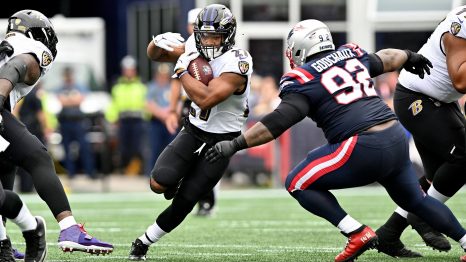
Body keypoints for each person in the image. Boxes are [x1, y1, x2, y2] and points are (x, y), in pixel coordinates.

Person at [205, 19, 466, 262]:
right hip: (394, 136)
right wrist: (410, 56)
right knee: (417, 201)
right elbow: (386, 58)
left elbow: (279, 121)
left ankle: (355, 232)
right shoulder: (350, 54)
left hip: (362, 144)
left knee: (297, 182)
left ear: (300, 48)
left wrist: (236, 144)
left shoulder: (302, 79)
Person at [128, 4, 253, 260]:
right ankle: (179, 181)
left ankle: (144, 241)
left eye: (215, 36)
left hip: (222, 141)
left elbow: (206, 99)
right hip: (194, 129)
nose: (209, 41)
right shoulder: (193, 46)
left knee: (186, 201)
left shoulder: (238, 61)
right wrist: (156, 41)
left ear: (228, 35)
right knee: (157, 183)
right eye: (205, 35)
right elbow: (156, 55)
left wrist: (182, 70)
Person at [0, 9, 113, 257]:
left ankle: (2, 244)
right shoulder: (28, 49)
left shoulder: (7, 44)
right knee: (38, 157)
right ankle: (68, 228)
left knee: (4, 169)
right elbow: (17, 66)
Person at [375, 5, 466, 259]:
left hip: (442, 99)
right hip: (417, 97)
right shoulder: (462, 25)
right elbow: (461, 79)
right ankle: (423, 216)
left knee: (437, 176)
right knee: (462, 157)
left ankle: (389, 234)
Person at [164, 7, 218, 217]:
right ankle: (182, 188)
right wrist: (171, 110)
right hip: (190, 106)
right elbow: (177, 83)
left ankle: (207, 200)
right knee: (186, 152)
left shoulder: (217, 45)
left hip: (211, 103)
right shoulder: (187, 48)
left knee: (207, 155)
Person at [106, 55, 147, 175]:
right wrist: (112, 118)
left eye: (131, 69)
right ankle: (124, 169)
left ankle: (139, 170)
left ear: (135, 70)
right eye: (126, 69)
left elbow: (146, 103)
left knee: (138, 147)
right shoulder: (117, 87)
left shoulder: (141, 86)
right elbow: (113, 104)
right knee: (123, 147)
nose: (129, 72)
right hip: (123, 120)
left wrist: (147, 117)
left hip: (138, 120)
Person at [56, 66, 96, 179]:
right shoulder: (61, 88)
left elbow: (80, 99)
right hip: (65, 122)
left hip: (78, 122)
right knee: (67, 149)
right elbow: (61, 101)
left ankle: (90, 172)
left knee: (84, 148)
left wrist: (68, 100)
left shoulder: (79, 87)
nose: (68, 77)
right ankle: (70, 173)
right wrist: (72, 99)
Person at [146, 63, 176, 170]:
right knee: (155, 149)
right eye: (161, 74)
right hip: (156, 123)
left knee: (172, 150)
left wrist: (170, 114)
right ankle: (151, 173)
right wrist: (163, 115)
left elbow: (179, 102)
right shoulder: (152, 87)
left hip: (171, 122)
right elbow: (149, 104)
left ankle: (170, 172)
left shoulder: (173, 86)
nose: (163, 77)